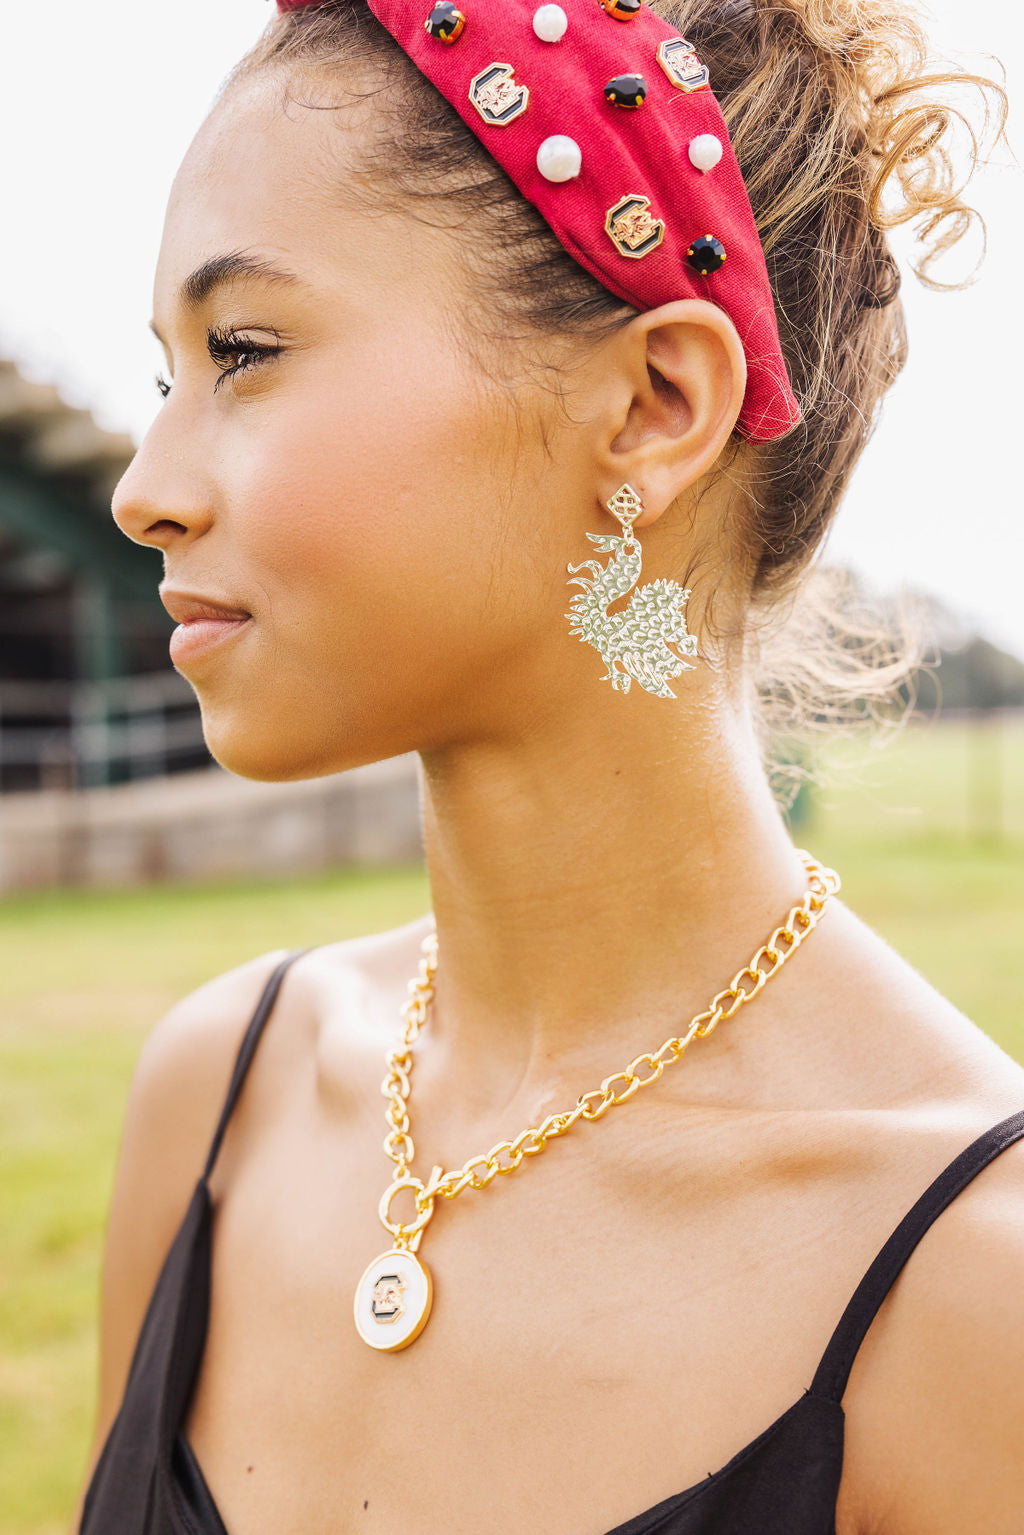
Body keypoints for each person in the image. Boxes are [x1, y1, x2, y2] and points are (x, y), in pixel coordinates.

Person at [74, 0, 1022, 1530]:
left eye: (243, 350)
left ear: (653, 405)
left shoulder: (975, 1299)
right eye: (165, 373)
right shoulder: (217, 1098)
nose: (144, 489)